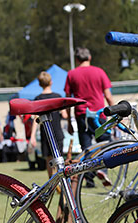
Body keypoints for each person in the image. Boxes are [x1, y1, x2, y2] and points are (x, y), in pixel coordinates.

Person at [64, 47, 115, 187]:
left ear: (77, 59)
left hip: (82, 115)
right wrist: (115, 115)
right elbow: (108, 96)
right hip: (100, 115)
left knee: (87, 148)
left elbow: (68, 100)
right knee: (105, 145)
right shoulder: (99, 72)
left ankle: (89, 179)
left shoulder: (71, 74)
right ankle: (103, 170)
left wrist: (68, 121)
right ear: (90, 57)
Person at [29, 71, 68, 178]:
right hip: (57, 131)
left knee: (49, 159)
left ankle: (51, 180)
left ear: (40, 84)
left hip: (45, 132)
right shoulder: (57, 97)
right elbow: (64, 115)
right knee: (59, 157)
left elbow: (36, 119)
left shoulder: (38, 99)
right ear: (51, 82)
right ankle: (59, 180)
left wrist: (32, 136)